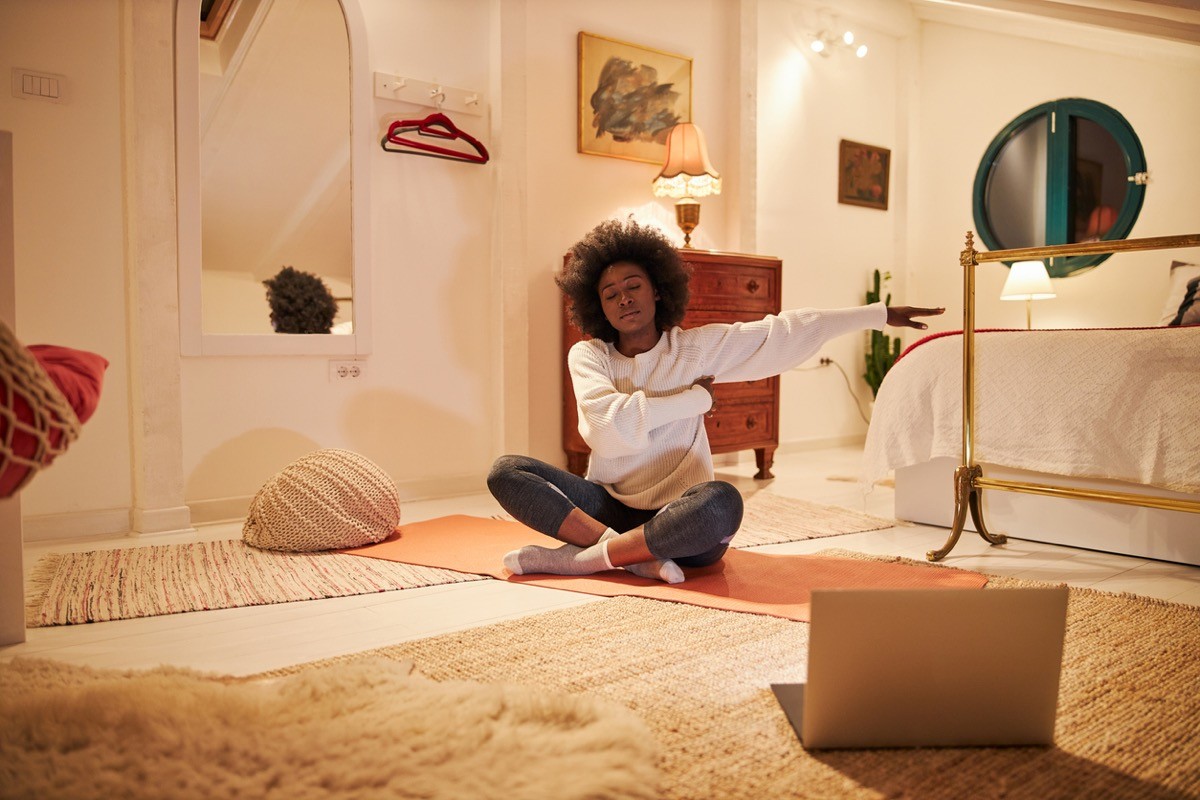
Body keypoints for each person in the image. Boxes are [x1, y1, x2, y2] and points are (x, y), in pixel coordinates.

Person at [487, 218, 943, 584]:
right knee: (507, 472)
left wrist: (877, 315)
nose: (624, 299)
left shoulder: (694, 349)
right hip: (609, 505)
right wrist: (694, 401)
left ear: (657, 289)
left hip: (678, 518)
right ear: (598, 307)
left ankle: (586, 558)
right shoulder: (589, 356)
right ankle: (630, 556)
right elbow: (610, 433)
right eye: (611, 294)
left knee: (722, 502)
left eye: (633, 286)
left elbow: (784, 331)